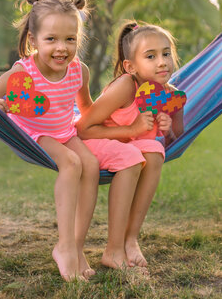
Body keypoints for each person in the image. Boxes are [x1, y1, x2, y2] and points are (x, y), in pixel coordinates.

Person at [0, 0, 99, 281]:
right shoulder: (22, 73)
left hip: (64, 129)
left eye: (70, 39)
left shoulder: (78, 71)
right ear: (33, 39)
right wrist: (5, 105)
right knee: (71, 164)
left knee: (92, 165)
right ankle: (64, 246)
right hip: (34, 131)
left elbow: (87, 110)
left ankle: (77, 245)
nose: (62, 48)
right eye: (51, 40)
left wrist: (122, 123)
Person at [77, 22, 184, 270]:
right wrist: (131, 130)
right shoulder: (126, 86)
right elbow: (83, 129)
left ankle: (130, 239)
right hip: (96, 141)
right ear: (130, 66)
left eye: (166, 53)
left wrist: (167, 130)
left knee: (156, 152)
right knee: (132, 155)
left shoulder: (171, 94)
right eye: (151, 56)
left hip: (129, 146)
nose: (162, 62)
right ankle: (113, 250)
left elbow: (176, 138)